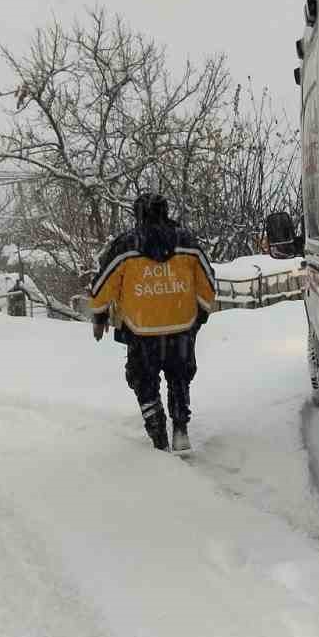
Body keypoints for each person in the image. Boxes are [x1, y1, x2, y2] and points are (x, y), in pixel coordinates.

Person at [87, 193, 217, 452]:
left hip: (141, 328)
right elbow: (208, 283)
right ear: (166, 212)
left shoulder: (126, 246)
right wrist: (201, 312)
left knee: (143, 379)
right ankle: (181, 429)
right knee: (179, 376)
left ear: (138, 215)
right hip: (181, 324)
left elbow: (103, 284)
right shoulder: (187, 242)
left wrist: (100, 314)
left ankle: (158, 433)